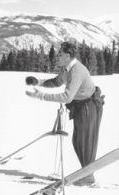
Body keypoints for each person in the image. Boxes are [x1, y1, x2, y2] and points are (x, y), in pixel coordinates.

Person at [25, 41, 105, 186]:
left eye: (60, 54)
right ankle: (86, 173)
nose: (57, 56)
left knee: (85, 142)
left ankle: (88, 176)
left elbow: (67, 97)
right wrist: (38, 82)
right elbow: (57, 82)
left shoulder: (76, 72)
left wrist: (42, 96)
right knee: (77, 141)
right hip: (81, 106)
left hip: (89, 106)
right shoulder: (66, 68)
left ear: (67, 56)